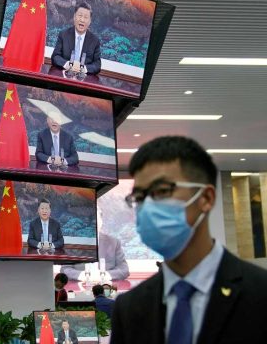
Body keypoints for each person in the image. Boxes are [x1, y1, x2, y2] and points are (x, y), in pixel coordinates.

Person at [111, 136, 267, 344]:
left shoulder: (259, 294)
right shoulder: (130, 307)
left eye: (162, 191)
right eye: (140, 197)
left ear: (206, 198)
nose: (147, 206)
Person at [60, 209, 129, 280]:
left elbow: (124, 269)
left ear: (101, 221)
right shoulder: (73, 242)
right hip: (81, 286)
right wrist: (83, 276)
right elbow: (65, 270)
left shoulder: (114, 242)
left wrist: (104, 275)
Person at [51, 2, 101, 74]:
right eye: (80, 16)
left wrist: (83, 68)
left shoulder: (95, 41)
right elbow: (55, 57)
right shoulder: (64, 34)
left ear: (90, 21)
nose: (82, 20)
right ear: (74, 17)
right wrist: (68, 64)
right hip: (64, 77)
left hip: (83, 81)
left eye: (86, 17)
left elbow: (97, 65)